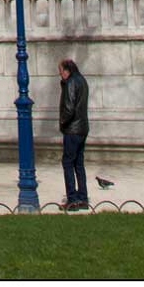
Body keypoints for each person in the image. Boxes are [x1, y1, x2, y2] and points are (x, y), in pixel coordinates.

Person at [57, 57, 90, 211]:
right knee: (79, 163)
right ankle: (83, 197)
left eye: (61, 72)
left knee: (68, 163)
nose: (60, 75)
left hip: (72, 129)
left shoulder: (71, 82)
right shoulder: (82, 80)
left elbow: (69, 107)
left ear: (67, 70)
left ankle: (72, 198)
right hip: (82, 128)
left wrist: (63, 121)